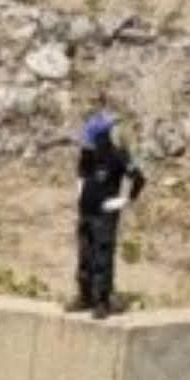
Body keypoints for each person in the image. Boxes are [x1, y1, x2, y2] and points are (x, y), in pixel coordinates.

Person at [72, 111, 146, 319]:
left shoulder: (117, 155)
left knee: (102, 257)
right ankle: (84, 296)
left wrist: (124, 201)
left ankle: (102, 302)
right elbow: (82, 171)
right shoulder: (88, 154)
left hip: (104, 215)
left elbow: (139, 179)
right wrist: (79, 192)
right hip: (86, 211)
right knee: (84, 255)